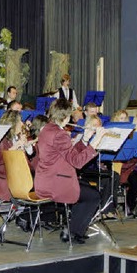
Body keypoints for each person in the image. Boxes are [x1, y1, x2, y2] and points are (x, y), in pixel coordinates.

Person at [35, 98, 106, 244]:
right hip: (56, 183)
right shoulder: (60, 134)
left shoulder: (46, 129)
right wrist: (96, 142)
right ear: (65, 117)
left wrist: (84, 141)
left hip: (46, 179)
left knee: (87, 189)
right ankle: (73, 231)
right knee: (94, 195)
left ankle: (72, 229)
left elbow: (67, 155)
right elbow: (78, 162)